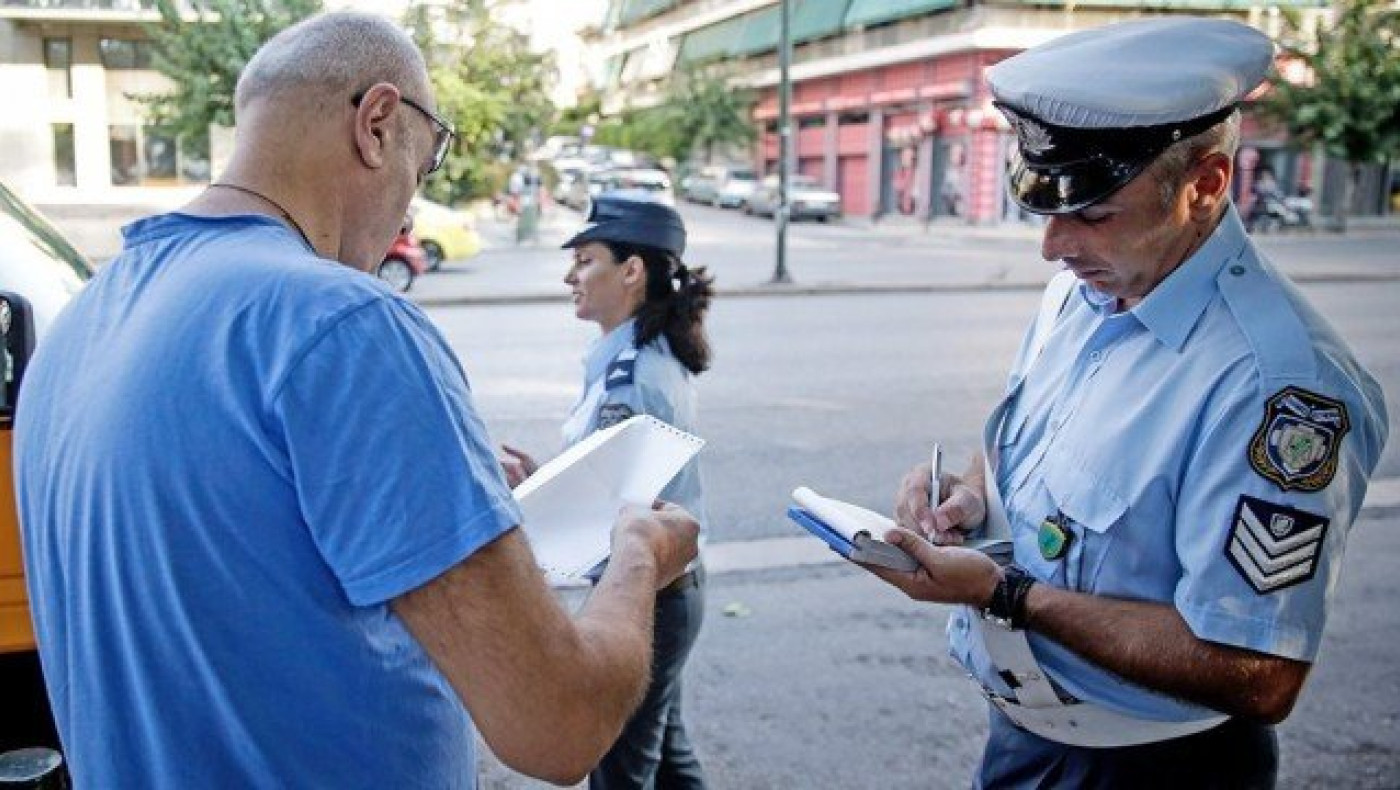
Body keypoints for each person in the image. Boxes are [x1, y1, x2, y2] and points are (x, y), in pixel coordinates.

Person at [14, 13, 698, 788]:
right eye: (424, 166)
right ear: (376, 124)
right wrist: (638, 549)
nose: (409, 213)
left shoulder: (80, 324)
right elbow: (557, 722)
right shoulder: (341, 324)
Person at [865, 18, 1388, 789]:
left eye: (1093, 214)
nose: (1053, 246)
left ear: (1204, 185)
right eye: (1046, 210)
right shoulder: (1082, 294)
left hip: (1152, 767)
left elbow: (1257, 669)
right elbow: (1032, 443)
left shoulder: (1276, 389)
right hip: (1024, 737)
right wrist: (968, 494)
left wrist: (1007, 594)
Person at [500, 194, 715, 789]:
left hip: (649, 592)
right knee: (666, 761)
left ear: (631, 271)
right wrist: (551, 478)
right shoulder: (642, 351)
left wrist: (534, 498)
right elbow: (621, 483)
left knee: (621, 771)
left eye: (585, 260)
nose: (570, 276)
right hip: (668, 587)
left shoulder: (631, 375)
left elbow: (616, 510)